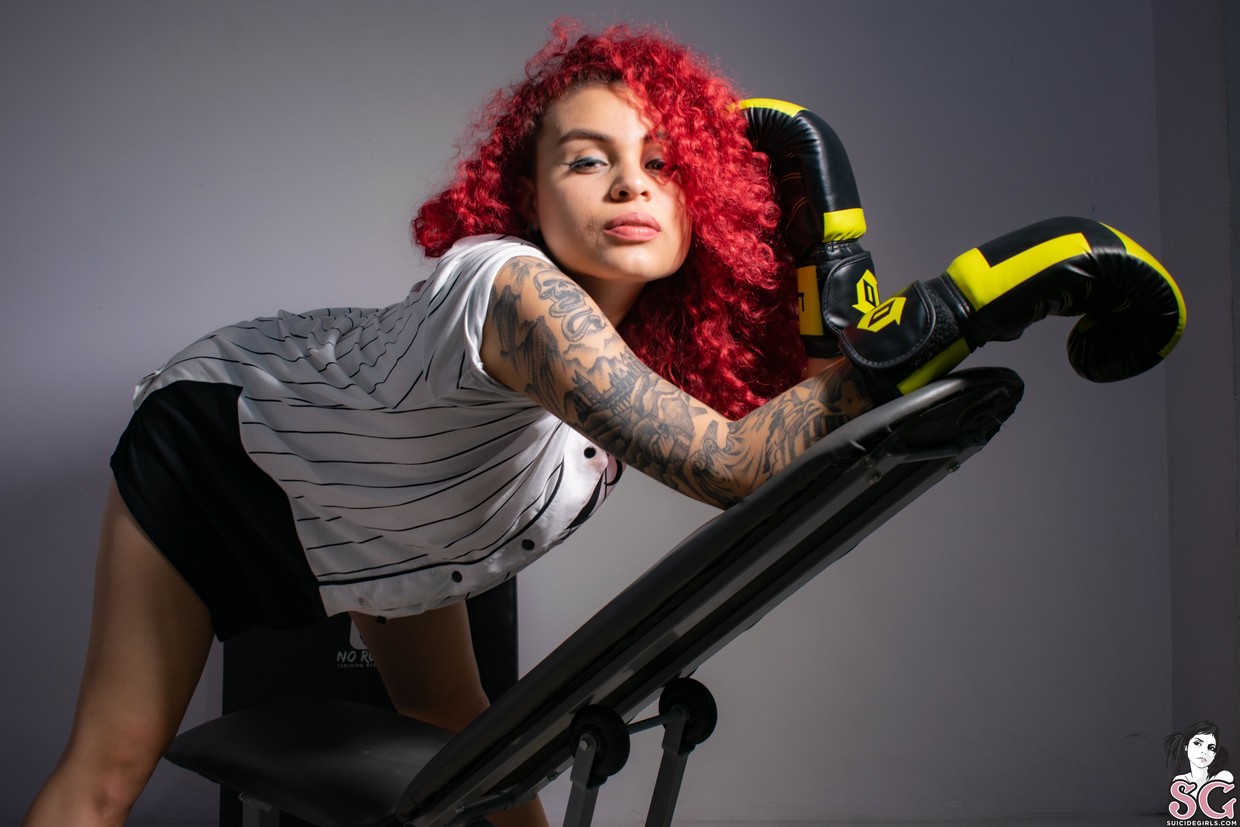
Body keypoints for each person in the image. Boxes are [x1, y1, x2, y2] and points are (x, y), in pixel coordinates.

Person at [24, 19, 1183, 827]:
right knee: (110, 767)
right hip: (227, 442)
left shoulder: (630, 364)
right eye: (587, 160)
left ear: (701, 202)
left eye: (663, 164)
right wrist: (967, 305)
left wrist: (826, 253)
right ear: (525, 196)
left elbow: (806, 411)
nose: (630, 184)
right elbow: (738, 463)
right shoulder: (516, 292)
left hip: (392, 519)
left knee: (465, 741)